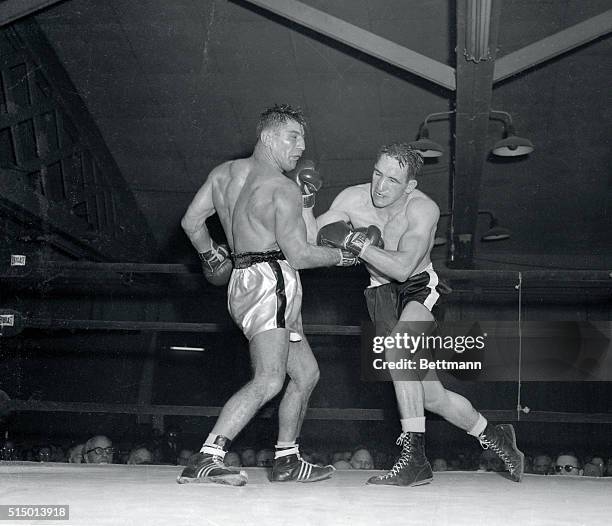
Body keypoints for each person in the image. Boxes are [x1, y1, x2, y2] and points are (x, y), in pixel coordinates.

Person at [316, 142, 524, 486]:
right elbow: (312, 235)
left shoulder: (423, 209)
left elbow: (401, 268)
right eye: (377, 174)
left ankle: (414, 459)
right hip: (379, 296)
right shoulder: (352, 199)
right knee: (431, 396)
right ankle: (497, 437)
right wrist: (308, 204)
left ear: (410, 185)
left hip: (417, 289)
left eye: (392, 180)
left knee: (399, 350)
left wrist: (357, 243)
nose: (380, 187)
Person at [178, 104, 352, 486]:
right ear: (267, 137)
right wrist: (343, 256)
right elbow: (301, 255)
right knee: (271, 379)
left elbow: (191, 221)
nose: (300, 148)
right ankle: (208, 456)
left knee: (306, 374)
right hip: (272, 281)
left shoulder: (223, 174)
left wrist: (211, 256)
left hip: (244, 278)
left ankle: (287, 459)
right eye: (293, 137)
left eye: (303, 140)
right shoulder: (280, 187)